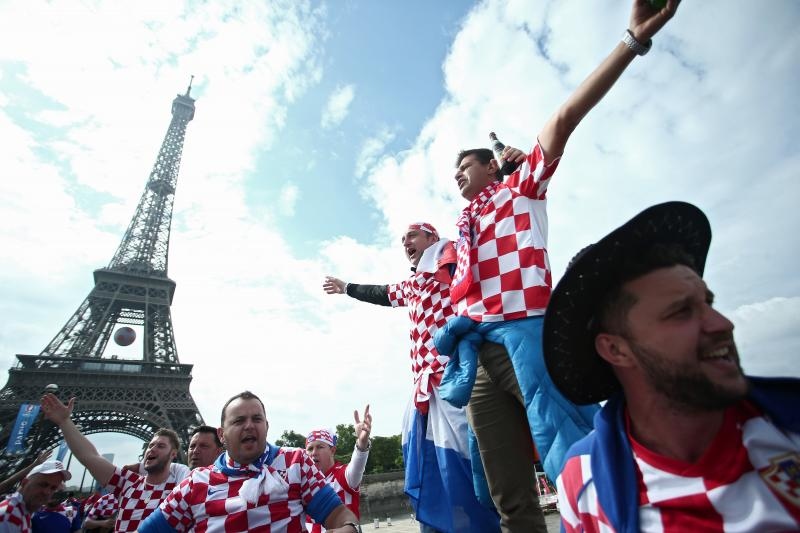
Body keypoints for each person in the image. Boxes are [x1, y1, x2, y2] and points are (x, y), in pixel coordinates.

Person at [433, 1, 682, 530]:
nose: (457, 174)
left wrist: (632, 41)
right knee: (506, 491)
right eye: (452, 169)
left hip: (527, 337)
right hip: (477, 354)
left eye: (465, 164)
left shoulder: (522, 190)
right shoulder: (463, 226)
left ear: (492, 165)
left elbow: (565, 118)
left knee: (575, 459)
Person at [542, 201, 800, 532]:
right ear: (616, 349)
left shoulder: (788, 430)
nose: (722, 324)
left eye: (708, 303)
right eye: (681, 312)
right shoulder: (582, 480)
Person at [324, 222, 501, 532]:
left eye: (412, 235)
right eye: (402, 239)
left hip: (454, 377)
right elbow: (382, 293)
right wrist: (347, 287)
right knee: (426, 464)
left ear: (432, 237)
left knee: (467, 464)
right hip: (424, 388)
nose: (405, 241)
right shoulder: (415, 283)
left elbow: (483, 258)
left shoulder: (453, 260)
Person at [137, 391, 362, 532]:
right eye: (239, 420)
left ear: (266, 426)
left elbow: (339, 516)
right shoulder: (195, 483)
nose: (249, 425)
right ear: (222, 435)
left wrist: (349, 528)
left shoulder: (295, 462)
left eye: (257, 419)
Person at [38, 393, 190, 532]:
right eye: (151, 445)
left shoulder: (180, 489)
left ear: (173, 454)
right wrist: (65, 422)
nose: (152, 449)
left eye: (161, 446)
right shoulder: (128, 482)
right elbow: (90, 457)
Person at [305, 406, 372, 532]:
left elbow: (357, 465)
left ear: (332, 451)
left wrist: (362, 443)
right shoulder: (305, 482)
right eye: (310, 448)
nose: (314, 453)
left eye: (320, 447)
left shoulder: (343, 475)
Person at [0, 459, 71, 533]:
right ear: (24, 483)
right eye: (43, 485)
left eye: (53, 488)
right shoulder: (8, 516)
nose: (47, 492)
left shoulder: (23, 512)